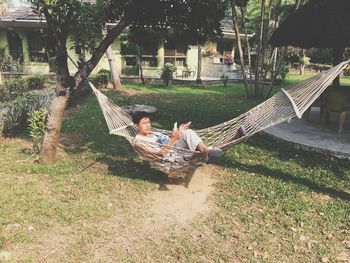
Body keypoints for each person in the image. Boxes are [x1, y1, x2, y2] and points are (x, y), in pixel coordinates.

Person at [132, 112, 246, 162]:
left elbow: (172, 141)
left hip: (176, 147)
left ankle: (207, 152)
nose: (148, 125)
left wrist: (179, 133)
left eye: (149, 122)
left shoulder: (153, 133)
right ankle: (209, 152)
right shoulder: (138, 142)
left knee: (188, 133)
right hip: (172, 157)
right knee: (207, 148)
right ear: (136, 126)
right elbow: (158, 156)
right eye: (144, 123)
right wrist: (173, 139)